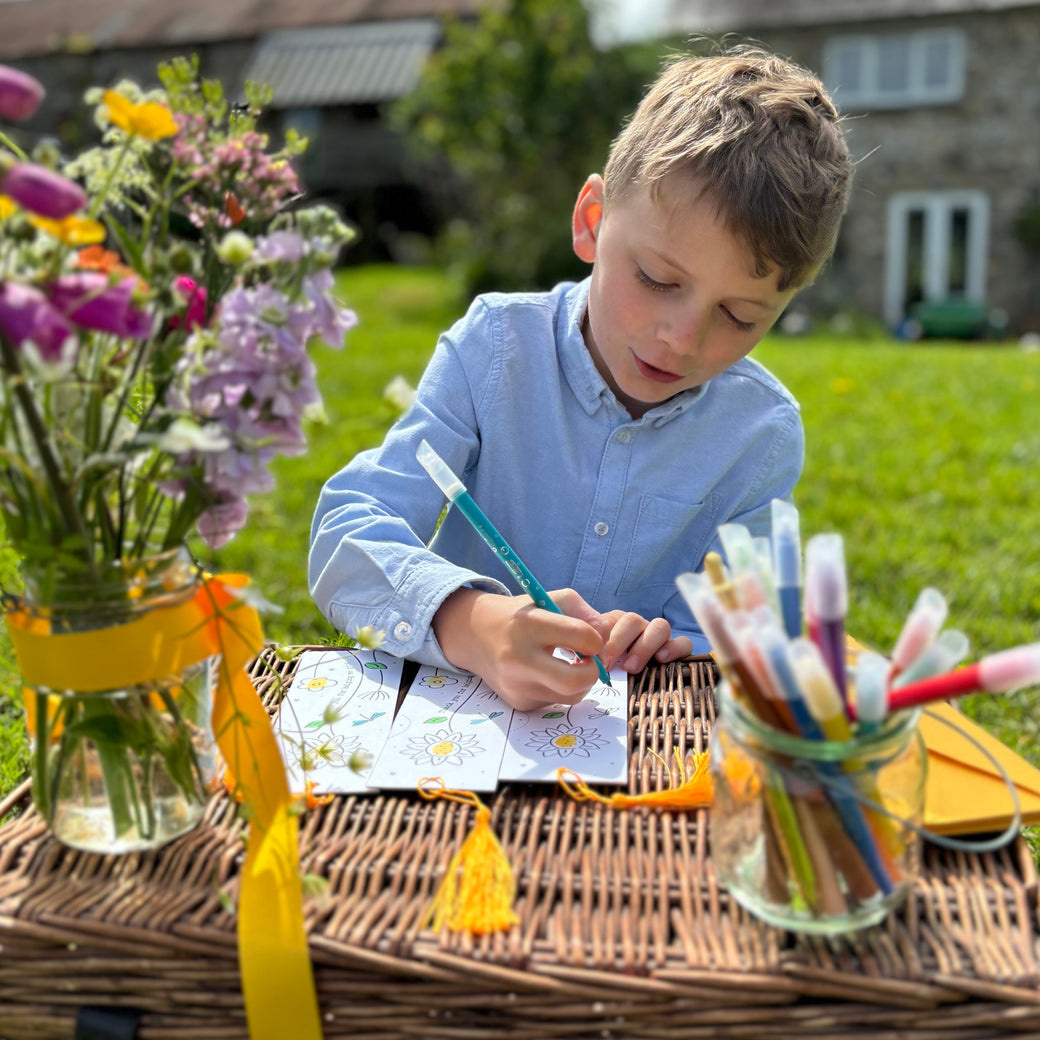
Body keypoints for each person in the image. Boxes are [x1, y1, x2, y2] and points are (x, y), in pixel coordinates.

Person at [309, 47, 853, 711]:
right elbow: (347, 529)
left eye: (740, 316)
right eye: (657, 280)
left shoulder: (761, 436)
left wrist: (675, 641)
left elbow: (753, 633)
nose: (681, 338)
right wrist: (471, 622)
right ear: (592, 221)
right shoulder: (494, 351)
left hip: (634, 760)